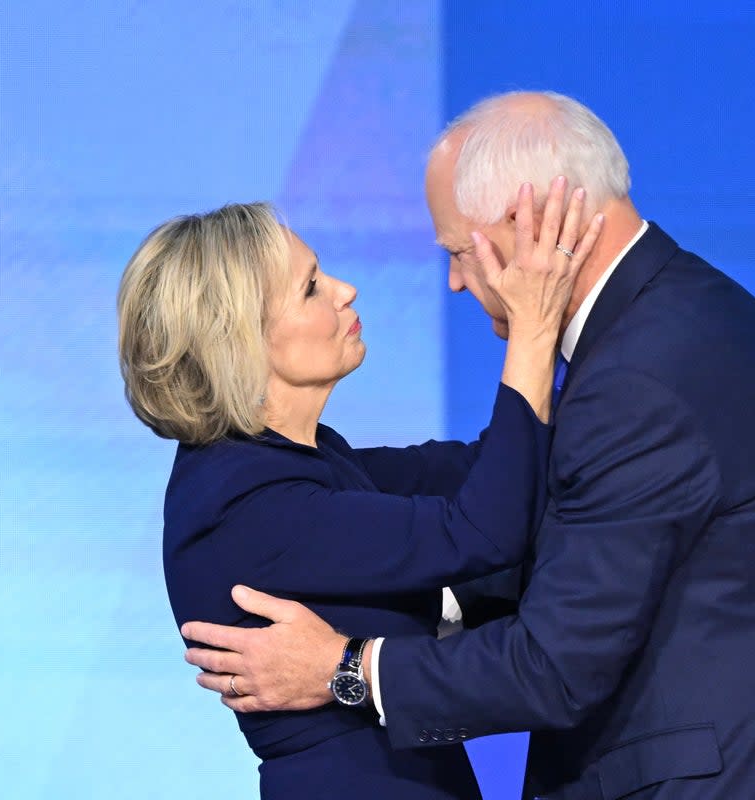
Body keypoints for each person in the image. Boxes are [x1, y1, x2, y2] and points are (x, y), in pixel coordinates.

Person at [181, 91, 755, 800]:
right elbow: (514, 498)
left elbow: (555, 662)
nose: (458, 282)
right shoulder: (672, 327)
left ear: (526, 224)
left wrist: (349, 668)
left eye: (459, 252)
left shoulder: (643, 373)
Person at [116, 191, 604, 799]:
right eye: (312, 287)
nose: (345, 290)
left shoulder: (302, 460)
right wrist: (532, 331)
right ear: (240, 339)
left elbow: (490, 468)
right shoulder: (242, 501)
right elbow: (483, 530)